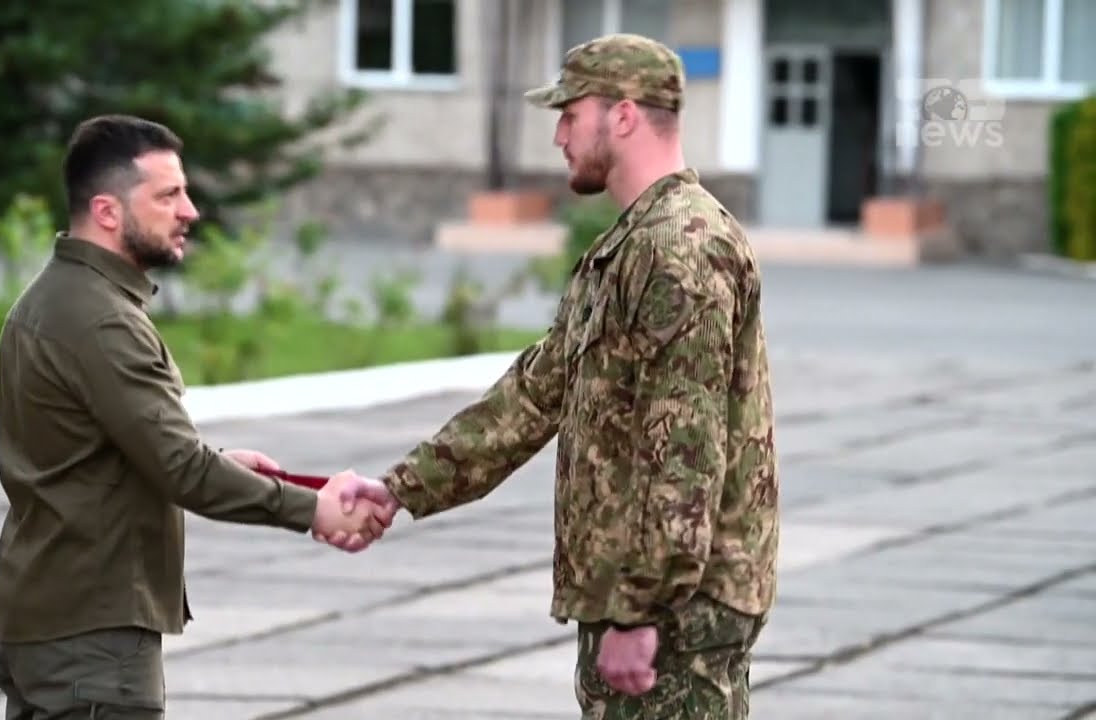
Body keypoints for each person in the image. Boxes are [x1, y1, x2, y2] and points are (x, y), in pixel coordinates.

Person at [327, 34, 780, 719]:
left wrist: (642, 611)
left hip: (677, 614)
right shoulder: (633, 245)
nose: (559, 136)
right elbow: (533, 395)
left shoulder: (679, 249)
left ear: (623, 116)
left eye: (570, 114)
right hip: (645, 599)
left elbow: (685, 448)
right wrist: (401, 487)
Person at [0, 113, 394, 719]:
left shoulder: (55, 298)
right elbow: (181, 468)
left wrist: (223, 463)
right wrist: (313, 508)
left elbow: (106, 453)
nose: (190, 211)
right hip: (92, 639)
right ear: (107, 211)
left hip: (50, 618)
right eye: (168, 195)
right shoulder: (101, 319)